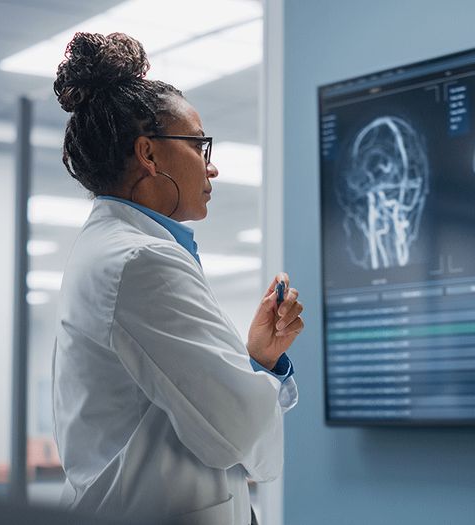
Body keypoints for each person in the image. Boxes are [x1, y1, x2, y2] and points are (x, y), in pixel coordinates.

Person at [50, 32, 303, 525]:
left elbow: (185, 403)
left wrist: (258, 361)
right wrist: (256, 382)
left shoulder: (113, 248)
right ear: (149, 154)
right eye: (199, 145)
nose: (212, 167)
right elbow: (238, 432)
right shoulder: (141, 261)